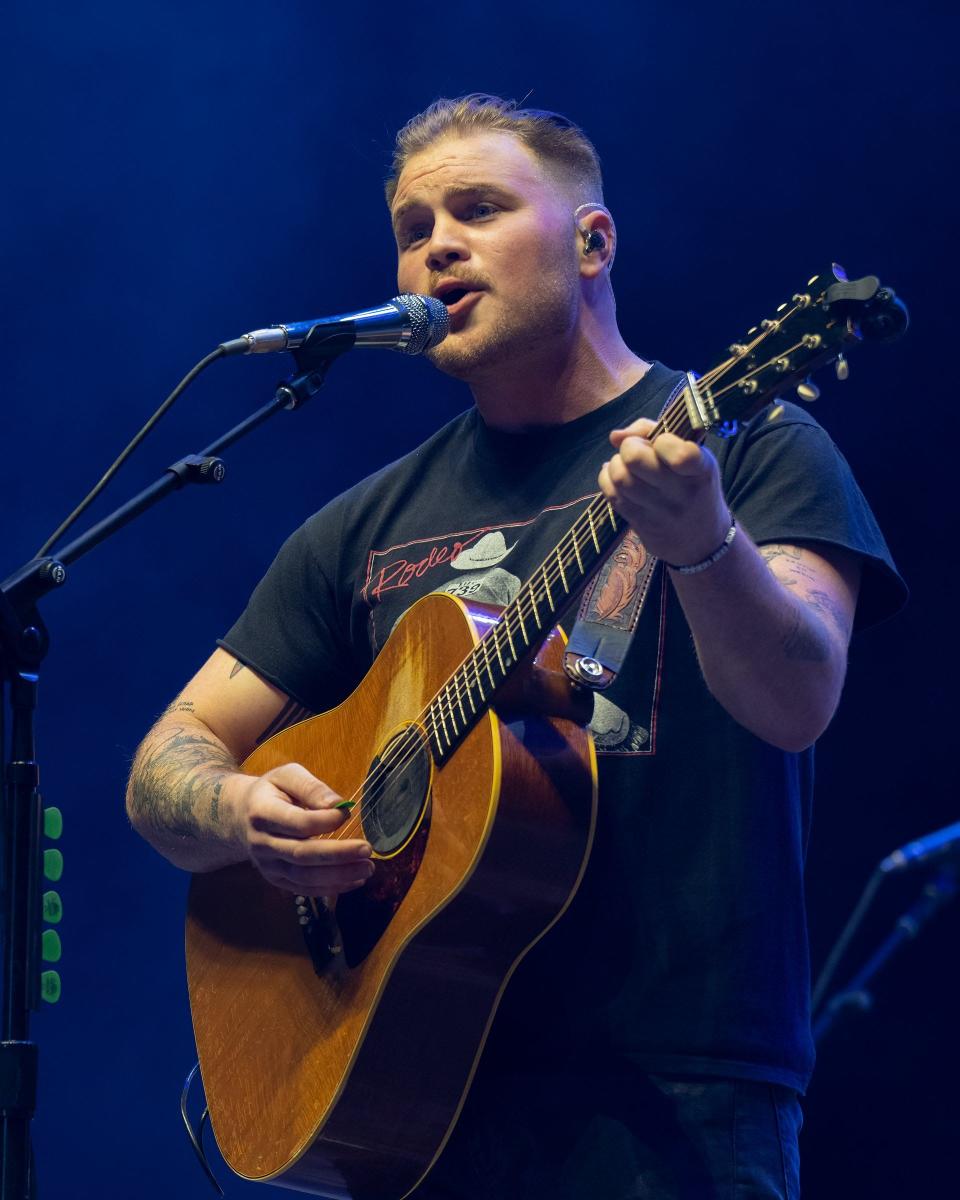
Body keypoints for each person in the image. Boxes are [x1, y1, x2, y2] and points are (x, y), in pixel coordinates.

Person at [126, 95, 904, 1198]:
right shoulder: (360, 526)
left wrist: (703, 547)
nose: (436, 243)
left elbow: (797, 699)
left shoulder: (753, 445)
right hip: (410, 1086)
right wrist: (240, 813)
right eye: (411, 227)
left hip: (673, 1100)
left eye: (479, 208)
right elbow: (170, 753)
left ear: (593, 242)